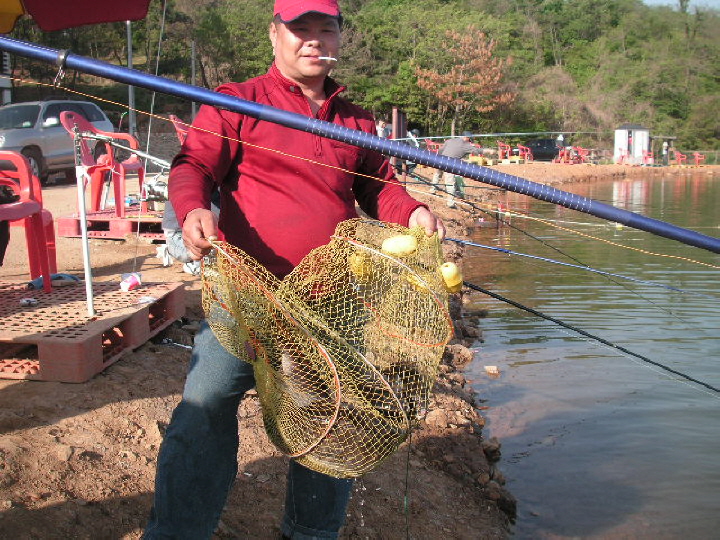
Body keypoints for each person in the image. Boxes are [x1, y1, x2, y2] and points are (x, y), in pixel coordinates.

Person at [142, 1, 445, 539]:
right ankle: (177, 532)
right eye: (300, 29)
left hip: (330, 302)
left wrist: (413, 211)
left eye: (325, 29)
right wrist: (192, 209)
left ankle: (309, 534)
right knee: (204, 408)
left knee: (332, 422)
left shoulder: (356, 120)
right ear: (274, 35)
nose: (313, 40)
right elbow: (193, 165)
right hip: (246, 298)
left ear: (339, 39)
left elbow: (380, 187)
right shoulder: (236, 101)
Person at [430, 131, 478, 208]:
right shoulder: (464, 144)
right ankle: (450, 203)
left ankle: (432, 190)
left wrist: (439, 158)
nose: (469, 142)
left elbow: (441, 150)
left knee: (437, 175)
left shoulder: (450, 140)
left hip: (441, 160)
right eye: (469, 140)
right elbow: (476, 151)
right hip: (449, 164)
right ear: (466, 137)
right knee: (450, 182)